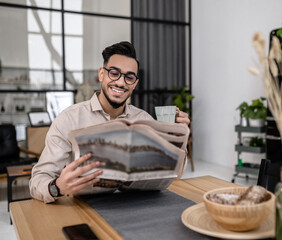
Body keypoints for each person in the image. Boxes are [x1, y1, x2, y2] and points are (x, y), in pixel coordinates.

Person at [29, 41, 190, 203]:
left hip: (137, 204)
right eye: (114, 73)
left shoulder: (144, 120)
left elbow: (173, 174)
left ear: (135, 84)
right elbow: (38, 179)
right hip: (86, 207)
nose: (121, 82)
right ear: (101, 74)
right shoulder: (69, 118)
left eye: (129, 77)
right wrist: (57, 187)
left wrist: (178, 140)